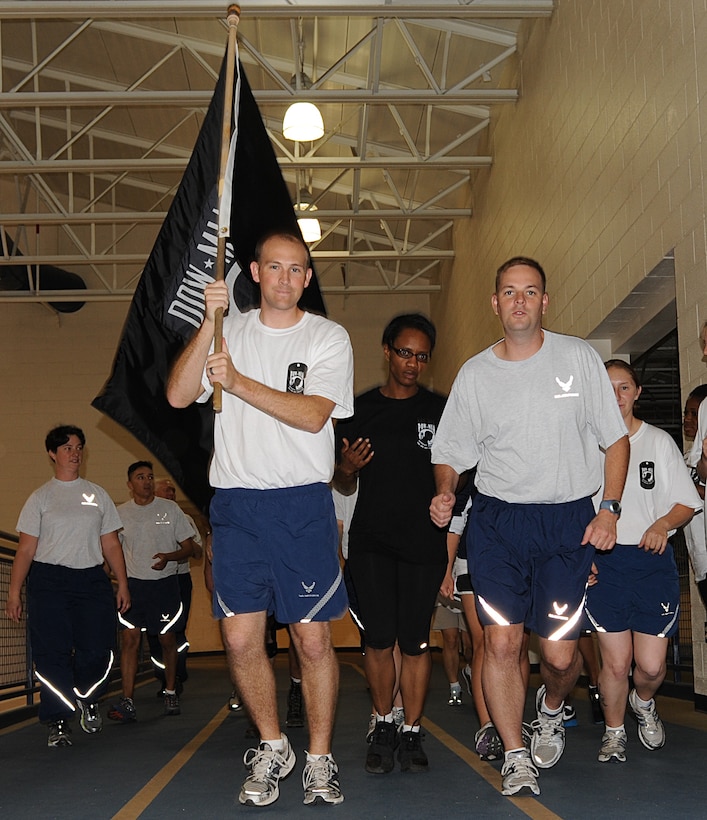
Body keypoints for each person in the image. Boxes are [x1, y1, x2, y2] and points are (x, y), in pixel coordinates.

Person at [166, 229, 353, 807]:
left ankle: (319, 757)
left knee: (311, 640)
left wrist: (238, 382)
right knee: (240, 637)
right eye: (275, 267)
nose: (286, 278)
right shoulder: (231, 332)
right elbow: (176, 395)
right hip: (238, 506)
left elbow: (314, 416)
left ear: (307, 277)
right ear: (253, 271)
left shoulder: (328, 337)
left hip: (300, 504)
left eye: (297, 269)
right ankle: (274, 745)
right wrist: (208, 322)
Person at [430, 256, 629, 797]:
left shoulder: (579, 358)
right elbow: (450, 453)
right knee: (499, 644)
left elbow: (615, 441)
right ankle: (515, 754)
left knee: (561, 657)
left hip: (567, 521)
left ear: (545, 301)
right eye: (509, 292)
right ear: (496, 304)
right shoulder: (475, 374)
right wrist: (447, 488)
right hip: (497, 522)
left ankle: (552, 703)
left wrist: (608, 508)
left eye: (531, 291)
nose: (520, 300)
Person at [334, 313, 447, 775]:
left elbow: (457, 473)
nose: (412, 363)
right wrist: (345, 468)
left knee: (416, 644)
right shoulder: (358, 410)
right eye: (404, 352)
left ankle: (412, 729)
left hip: (423, 543)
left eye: (421, 356)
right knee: (379, 639)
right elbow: (340, 482)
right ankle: (382, 722)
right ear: (386, 350)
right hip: (372, 542)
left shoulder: (441, 412)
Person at [585, 360, 700, 763]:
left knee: (649, 667)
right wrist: (585, 556)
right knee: (615, 663)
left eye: (624, 387)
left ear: (636, 393)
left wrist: (662, 523)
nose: (616, 395)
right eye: (608, 387)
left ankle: (644, 702)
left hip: (652, 563)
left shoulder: (658, 442)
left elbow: (688, 502)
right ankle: (614, 732)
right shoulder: (586, 445)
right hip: (607, 565)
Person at [5, 425, 130, 747]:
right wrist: (14, 591)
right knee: (52, 654)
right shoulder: (40, 498)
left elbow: (112, 545)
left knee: (98, 651)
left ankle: (87, 697)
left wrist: (123, 584)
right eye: (67, 448)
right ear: (52, 454)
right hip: (49, 582)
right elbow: (26, 550)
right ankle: (58, 719)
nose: (74, 453)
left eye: (78, 447)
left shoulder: (97, 495)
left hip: (91, 580)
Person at [108, 461, 195, 723]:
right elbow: (112, 552)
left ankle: (170, 690)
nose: (146, 481)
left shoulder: (170, 509)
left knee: (167, 639)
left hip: (164, 585)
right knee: (131, 640)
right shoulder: (119, 514)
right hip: (134, 586)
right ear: (129, 484)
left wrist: (169, 557)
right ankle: (128, 699)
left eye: (149, 476)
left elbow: (189, 547)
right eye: (140, 477)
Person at [151, 477, 203, 693]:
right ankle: (163, 675)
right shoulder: (144, 516)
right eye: (166, 490)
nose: (171, 494)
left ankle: (177, 674)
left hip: (179, 579)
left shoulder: (186, 519)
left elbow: (198, 552)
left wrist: (183, 545)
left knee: (177, 629)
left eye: (173, 491)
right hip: (151, 581)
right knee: (155, 633)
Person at [682, 384, 707, 608]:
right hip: (699, 560)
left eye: (695, 414)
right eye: (686, 413)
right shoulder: (685, 458)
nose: (687, 419)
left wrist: (688, 488)